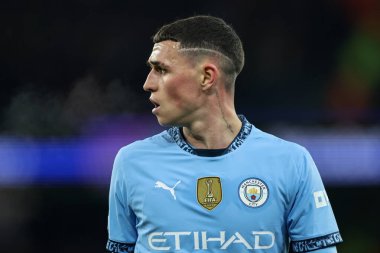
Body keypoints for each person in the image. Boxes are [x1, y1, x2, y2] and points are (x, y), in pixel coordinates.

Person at [106, 15, 343, 253]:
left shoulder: (291, 162)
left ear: (207, 77)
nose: (148, 83)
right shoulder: (132, 162)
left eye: (161, 69)